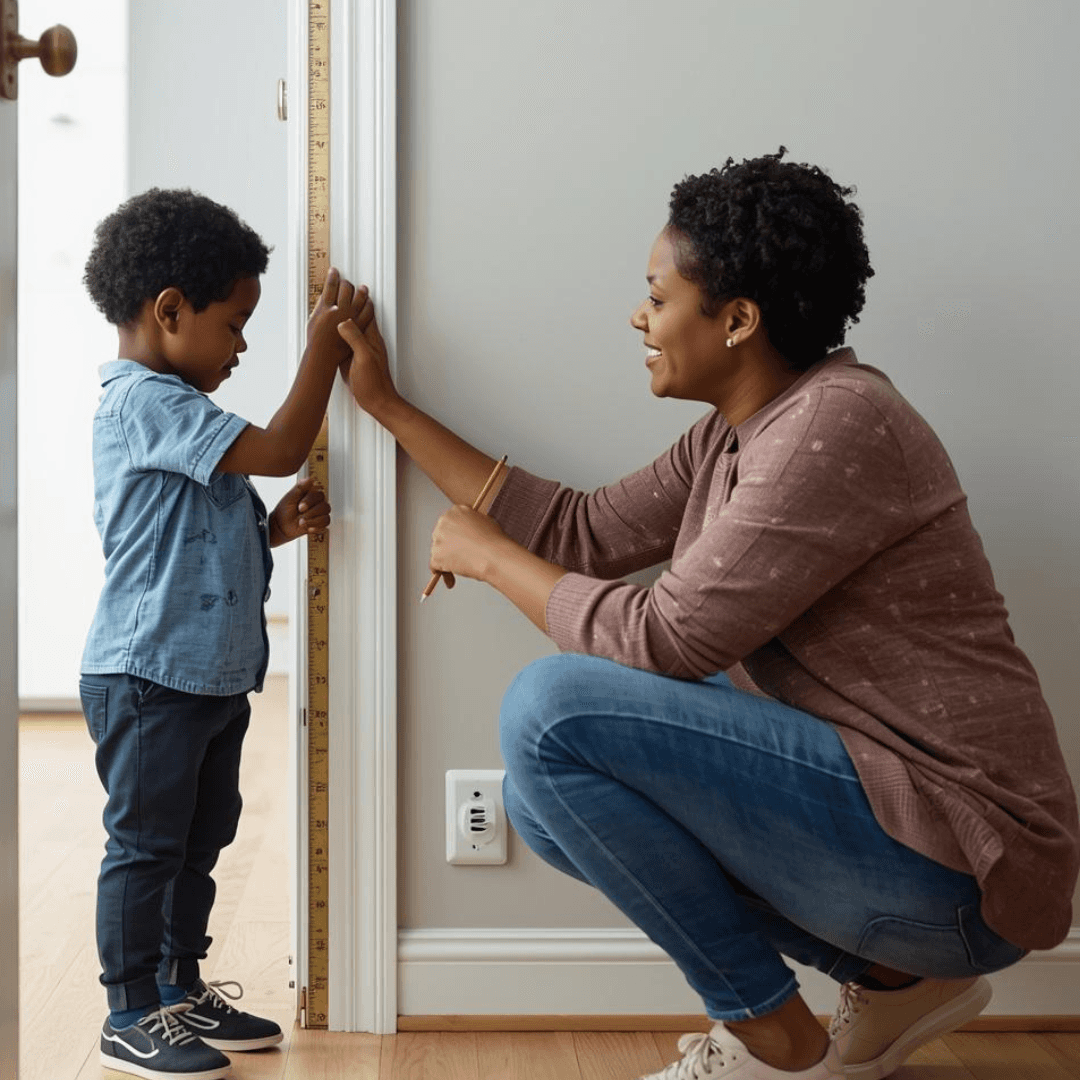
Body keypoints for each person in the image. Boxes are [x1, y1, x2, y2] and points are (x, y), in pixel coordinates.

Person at [337, 149, 1080, 1079]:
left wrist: (488, 559)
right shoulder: (736, 434)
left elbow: (666, 639)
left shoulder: (833, 424)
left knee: (551, 708)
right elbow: (581, 531)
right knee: (541, 798)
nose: (637, 316)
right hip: (906, 863)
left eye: (657, 294)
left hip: (964, 862)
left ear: (737, 320)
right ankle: (894, 983)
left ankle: (771, 1033)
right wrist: (385, 406)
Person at [79, 188, 370, 1080]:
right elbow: (282, 445)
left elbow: (198, 531)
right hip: (149, 674)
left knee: (202, 838)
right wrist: (324, 348)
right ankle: (128, 1011)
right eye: (236, 322)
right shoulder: (144, 402)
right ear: (169, 311)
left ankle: (178, 985)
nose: (244, 344)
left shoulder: (183, 418)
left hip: (209, 676)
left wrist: (271, 529)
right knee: (146, 844)